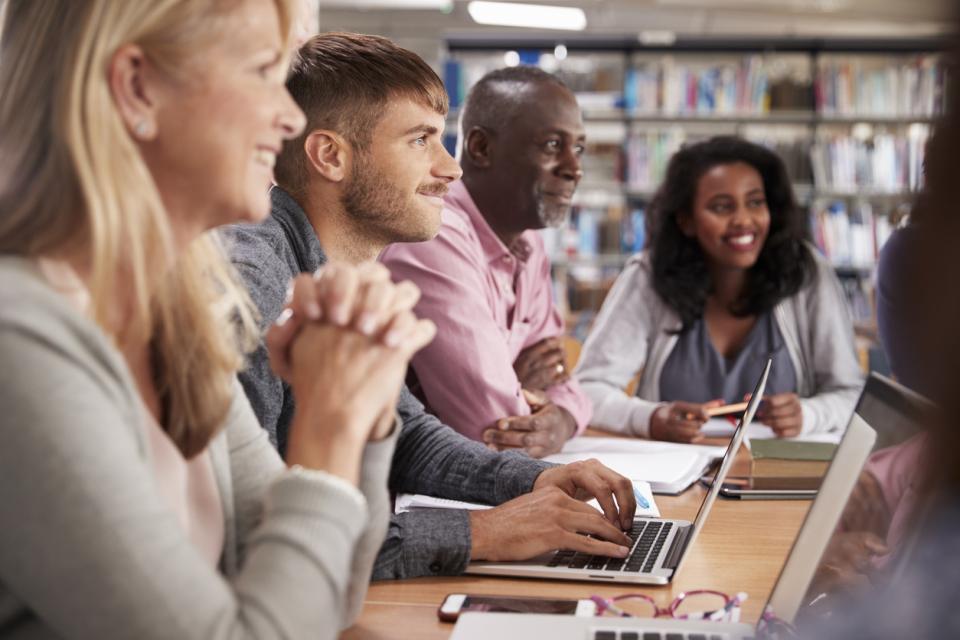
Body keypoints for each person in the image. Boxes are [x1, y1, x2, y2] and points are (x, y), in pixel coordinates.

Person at [0, 1, 435, 637]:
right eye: (263, 72)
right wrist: (329, 426)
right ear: (137, 88)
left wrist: (361, 406)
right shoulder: (23, 337)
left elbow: (326, 599)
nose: (288, 117)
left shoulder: (169, 314)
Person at [227, 33, 637, 581]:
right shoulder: (251, 285)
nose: (453, 169)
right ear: (331, 155)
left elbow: (408, 436)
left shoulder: (342, 276)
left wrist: (534, 481)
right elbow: (253, 531)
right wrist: (485, 533)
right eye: (421, 140)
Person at [575, 136, 863, 442]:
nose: (743, 220)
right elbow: (587, 390)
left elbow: (851, 394)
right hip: (676, 481)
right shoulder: (648, 276)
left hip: (776, 481)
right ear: (686, 220)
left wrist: (809, 415)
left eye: (755, 202)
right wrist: (651, 418)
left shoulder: (806, 273)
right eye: (721, 207)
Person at [380, 66, 593, 458]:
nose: (573, 168)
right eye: (551, 145)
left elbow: (567, 383)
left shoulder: (529, 242)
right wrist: (518, 383)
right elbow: (492, 429)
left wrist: (560, 420)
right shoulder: (434, 234)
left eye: (578, 148)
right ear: (480, 148)